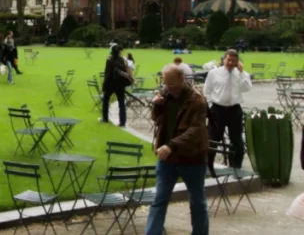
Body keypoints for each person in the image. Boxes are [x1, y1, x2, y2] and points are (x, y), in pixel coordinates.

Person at [145, 64, 209, 235]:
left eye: (171, 84)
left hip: (192, 158)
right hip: (167, 159)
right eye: (164, 84)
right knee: (159, 200)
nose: (167, 88)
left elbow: (195, 131)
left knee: (197, 202)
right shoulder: (166, 94)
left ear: (182, 80)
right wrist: (156, 105)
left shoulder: (197, 100)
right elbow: (157, 119)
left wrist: (171, 145)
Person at [203, 49, 252, 170]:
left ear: (237, 62)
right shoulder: (214, 73)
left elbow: (246, 88)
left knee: (236, 140)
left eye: (234, 61)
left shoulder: (241, 74)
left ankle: (236, 167)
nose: (231, 63)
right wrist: (210, 106)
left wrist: (241, 73)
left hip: (234, 109)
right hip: (218, 109)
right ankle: (208, 166)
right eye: (228, 60)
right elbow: (207, 91)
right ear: (224, 59)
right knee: (212, 138)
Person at [102, 43, 133, 126]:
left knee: (105, 100)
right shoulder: (122, 60)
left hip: (111, 84)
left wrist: (104, 85)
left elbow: (107, 74)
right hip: (120, 85)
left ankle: (105, 118)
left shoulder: (109, 60)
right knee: (121, 103)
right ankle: (122, 122)